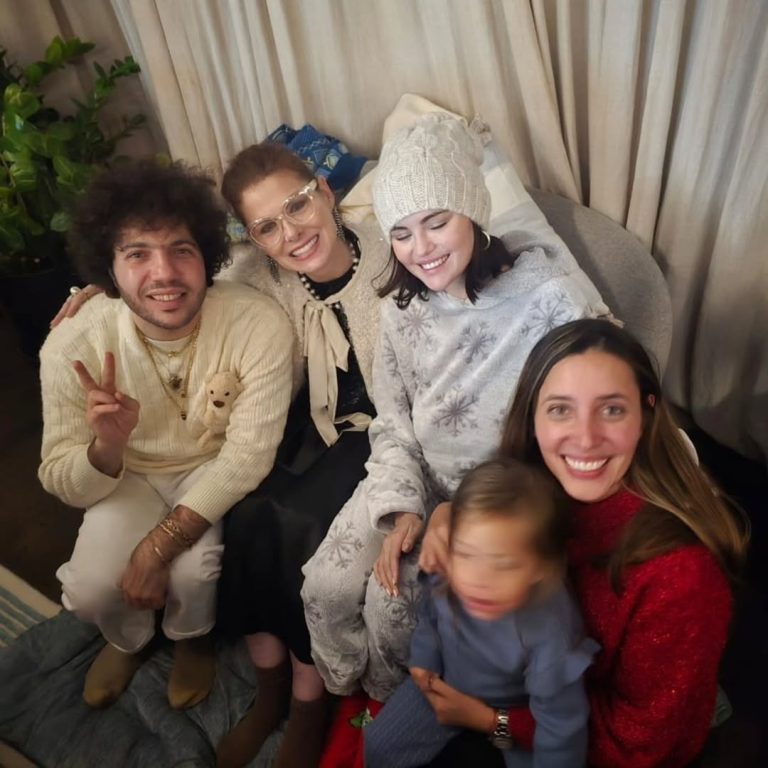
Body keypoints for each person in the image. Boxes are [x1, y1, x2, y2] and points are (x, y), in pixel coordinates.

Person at [50, 142, 389, 767]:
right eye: (266, 226)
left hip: (382, 434)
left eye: (298, 205)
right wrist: (101, 288)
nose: (290, 233)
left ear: (325, 191)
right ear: (250, 238)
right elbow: (175, 281)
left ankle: (308, 701)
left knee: (300, 528)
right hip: (310, 427)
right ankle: (269, 685)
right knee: (250, 516)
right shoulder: (259, 274)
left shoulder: (395, 254)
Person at [299, 112, 611, 764]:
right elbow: (392, 423)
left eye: (437, 221)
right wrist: (401, 508)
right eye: (401, 233)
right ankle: (341, 694)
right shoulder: (401, 309)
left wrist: (450, 517)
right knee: (323, 588)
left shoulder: (548, 300)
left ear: (472, 210)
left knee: (391, 605)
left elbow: (594, 424)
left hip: (499, 504)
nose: (421, 248)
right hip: (411, 477)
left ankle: (393, 707)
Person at [420, 318, 748, 767]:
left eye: (612, 409)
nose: (586, 438)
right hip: (514, 688)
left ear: (646, 414)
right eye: (560, 410)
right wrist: (448, 515)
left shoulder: (682, 577)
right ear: (533, 418)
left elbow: (637, 747)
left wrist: (494, 721)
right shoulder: (532, 488)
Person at [38, 160, 294, 712]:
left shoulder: (257, 323)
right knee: (88, 591)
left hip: (210, 464)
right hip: (125, 474)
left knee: (195, 574)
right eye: (137, 254)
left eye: (181, 249)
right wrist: (105, 447)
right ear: (107, 269)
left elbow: (247, 456)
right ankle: (128, 639)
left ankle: (190, 639)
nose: (164, 274)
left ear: (207, 254)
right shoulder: (70, 345)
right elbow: (62, 481)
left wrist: (159, 545)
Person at [364, 458, 598, 768]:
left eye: (504, 565)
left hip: (515, 715)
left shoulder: (551, 630)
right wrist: (424, 658)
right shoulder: (450, 570)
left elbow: (560, 731)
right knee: (378, 746)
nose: (479, 580)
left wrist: (500, 725)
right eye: (466, 554)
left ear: (540, 569)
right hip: (446, 685)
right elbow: (431, 615)